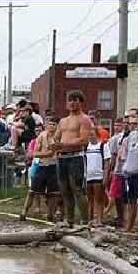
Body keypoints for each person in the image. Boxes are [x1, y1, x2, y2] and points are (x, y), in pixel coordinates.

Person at [50, 90, 92, 228]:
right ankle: (70, 221)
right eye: (70, 100)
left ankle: (85, 222)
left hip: (75, 157)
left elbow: (84, 140)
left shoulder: (84, 119)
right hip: (62, 158)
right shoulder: (63, 121)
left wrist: (64, 144)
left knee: (78, 190)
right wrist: (54, 144)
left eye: (75, 100)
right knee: (65, 190)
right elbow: (56, 137)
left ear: (81, 102)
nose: (72, 103)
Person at [21, 117, 60, 221]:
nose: (52, 126)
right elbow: (34, 153)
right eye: (50, 124)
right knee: (32, 191)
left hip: (54, 166)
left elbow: (56, 150)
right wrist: (46, 154)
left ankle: (50, 214)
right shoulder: (41, 136)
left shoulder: (59, 136)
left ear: (57, 126)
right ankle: (24, 211)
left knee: (54, 193)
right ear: (46, 125)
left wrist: (50, 151)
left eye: (54, 124)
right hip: (42, 166)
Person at [84, 127, 111, 226]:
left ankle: (99, 220)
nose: (90, 137)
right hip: (88, 176)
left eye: (92, 135)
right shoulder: (86, 147)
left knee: (99, 199)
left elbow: (107, 162)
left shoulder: (103, 146)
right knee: (89, 199)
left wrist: (105, 176)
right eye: (89, 135)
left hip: (98, 176)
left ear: (97, 135)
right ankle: (90, 219)